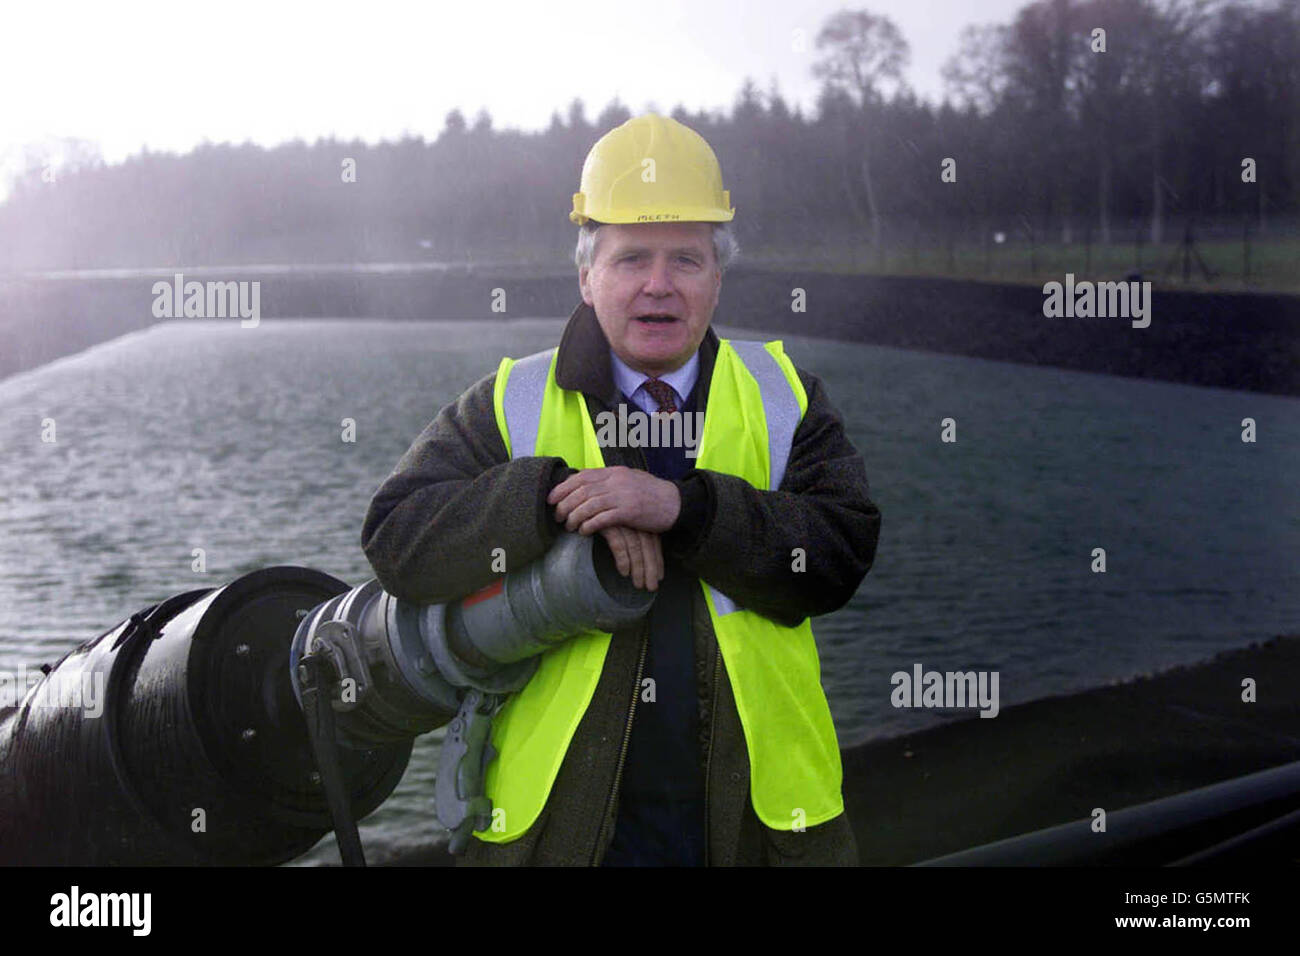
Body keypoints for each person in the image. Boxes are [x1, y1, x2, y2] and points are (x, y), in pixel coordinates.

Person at [360, 113, 881, 866]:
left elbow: (841, 550)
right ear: (586, 276)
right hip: (557, 832)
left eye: (687, 260)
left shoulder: (784, 396)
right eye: (632, 258)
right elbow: (397, 539)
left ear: (718, 277)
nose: (659, 286)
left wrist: (682, 509)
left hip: (760, 826)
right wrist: (558, 499)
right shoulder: (511, 401)